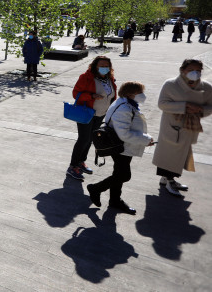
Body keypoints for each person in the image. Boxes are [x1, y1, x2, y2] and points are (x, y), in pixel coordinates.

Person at [87, 82, 154, 215]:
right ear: (130, 94)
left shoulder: (127, 104)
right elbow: (124, 134)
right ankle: (95, 188)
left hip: (122, 145)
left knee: (118, 174)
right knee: (124, 175)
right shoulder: (125, 108)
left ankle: (115, 200)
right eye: (140, 93)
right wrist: (145, 140)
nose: (143, 95)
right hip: (121, 146)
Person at [153, 59, 212, 196]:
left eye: (198, 70)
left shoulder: (207, 87)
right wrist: (184, 107)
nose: (195, 73)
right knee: (169, 153)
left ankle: (166, 178)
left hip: (191, 126)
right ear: (182, 70)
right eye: (191, 70)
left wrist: (199, 109)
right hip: (172, 125)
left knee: (181, 154)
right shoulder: (171, 84)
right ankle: (169, 180)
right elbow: (162, 104)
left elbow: (210, 106)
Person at [67, 56, 117, 181]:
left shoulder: (109, 78)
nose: (104, 68)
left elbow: (112, 95)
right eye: (101, 65)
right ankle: (72, 166)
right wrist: (91, 96)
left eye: (107, 66)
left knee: (90, 139)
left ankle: (81, 162)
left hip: (101, 113)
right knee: (83, 139)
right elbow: (75, 94)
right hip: (87, 113)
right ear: (95, 66)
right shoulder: (86, 77)